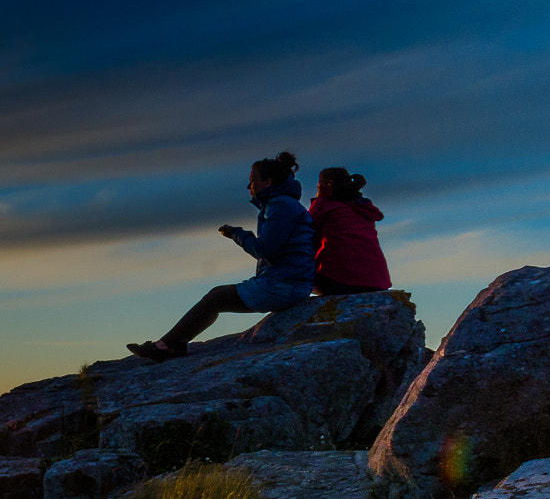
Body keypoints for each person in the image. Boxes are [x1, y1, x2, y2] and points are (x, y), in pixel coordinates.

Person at [128, 151, 314, 362]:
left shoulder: (281, 206)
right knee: (216, 294)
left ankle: (164, 347)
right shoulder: (282, 204)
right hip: (288, 281)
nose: (249, 186)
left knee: (215, 299)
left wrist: (238, 234)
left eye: (253, 180)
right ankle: (175, 345)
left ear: (268, 182)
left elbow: (265, 249)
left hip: (284, 285)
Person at [310, 167, 390, 294]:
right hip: (377, 281)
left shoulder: (324, 205)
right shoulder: (362, 207)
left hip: (341, 280)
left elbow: (305, 235)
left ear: (325, 186)